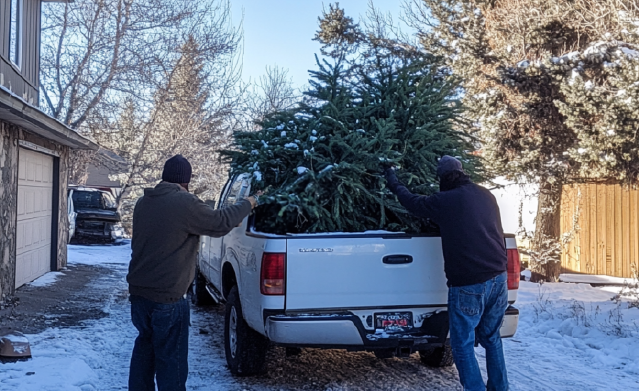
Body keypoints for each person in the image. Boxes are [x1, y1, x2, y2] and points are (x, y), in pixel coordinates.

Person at [127, 154, 257, 391]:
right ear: (185, 181)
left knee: (144, 351)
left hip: (139, 294)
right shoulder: (184, 203)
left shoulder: (143, 203)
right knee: (171, 362)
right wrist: (250, 202)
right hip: (168, 298)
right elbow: (221, 221)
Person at [385, 155, 509, 391]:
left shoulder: (446, 200)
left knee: (461, 344)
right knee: (492, 339)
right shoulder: (486, 194)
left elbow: (412, 203)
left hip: (469, 283)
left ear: (443, 178)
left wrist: (394, 182)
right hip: (499, 278)